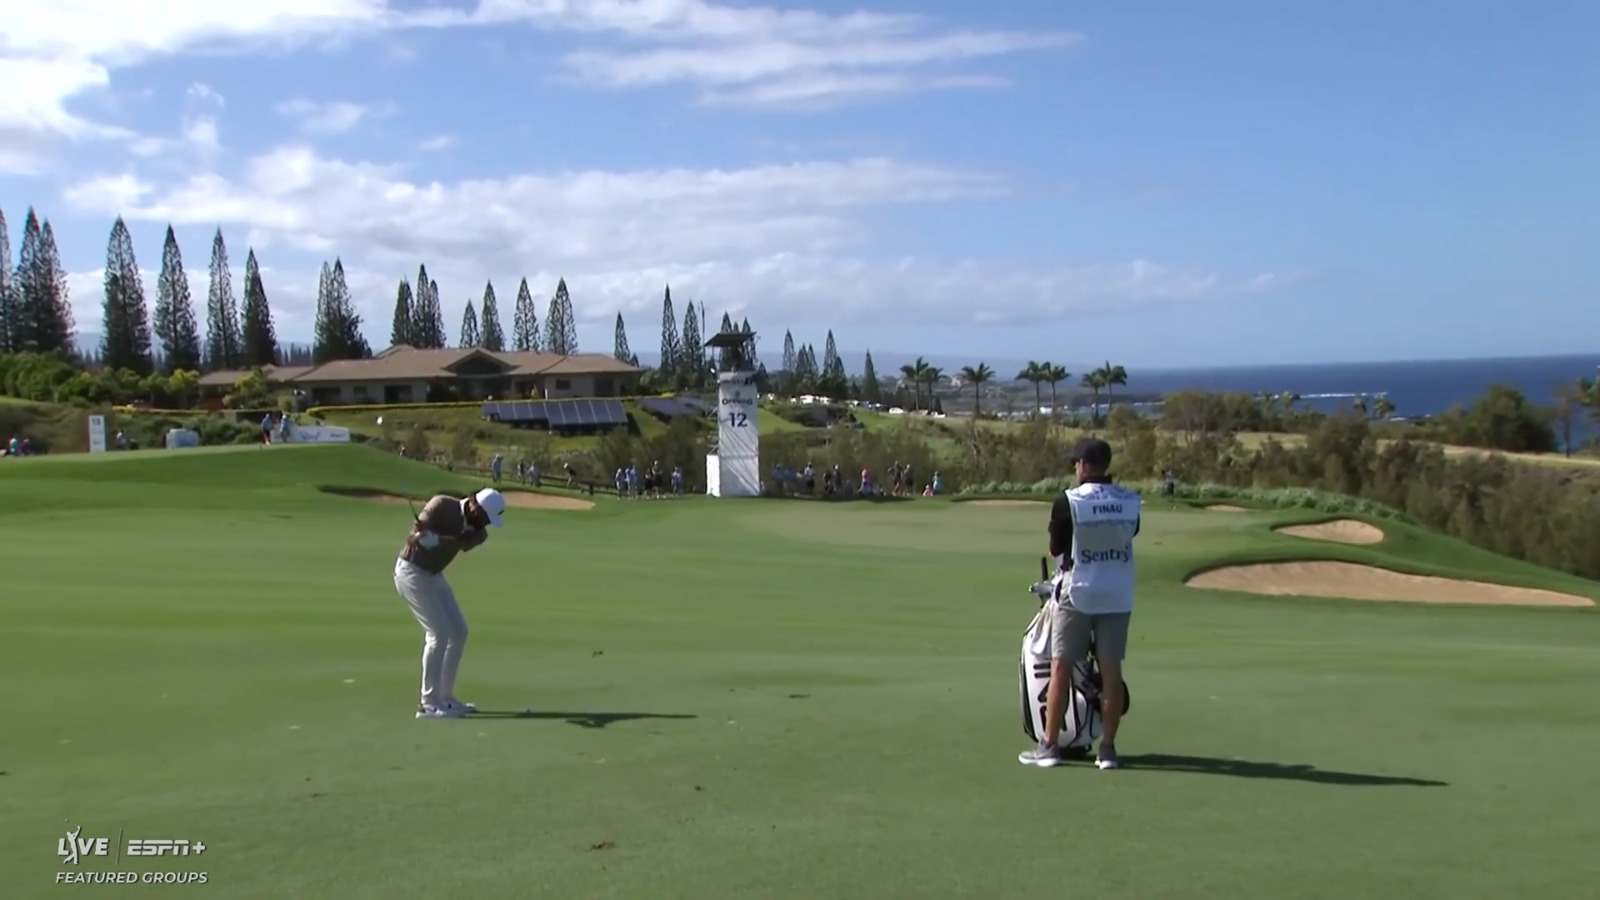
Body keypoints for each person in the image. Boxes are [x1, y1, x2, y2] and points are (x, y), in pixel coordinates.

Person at [1019, 438, 1141, 771]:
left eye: (1076, 463)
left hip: (1078, 592)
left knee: (1060, 665)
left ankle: (1049, 746)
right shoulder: (1130, 501)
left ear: (1084, 466)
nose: (1075, 468)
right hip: (1117, 593)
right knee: (1111, 671)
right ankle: (1108, 750)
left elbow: (1056, 548)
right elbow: (1128, 535)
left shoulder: (1068, 501)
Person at [394, 488, 507, 719]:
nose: (485, 524)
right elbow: (413, 536)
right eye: (485, 518)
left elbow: (462, 540)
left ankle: (445, 698)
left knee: (459, 631)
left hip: (433, 574)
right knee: (438, 634)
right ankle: (428, 703)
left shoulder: (480, 534)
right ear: (474, 507)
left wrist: (438, 539)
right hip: (411, 571)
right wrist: (422, 536)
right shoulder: (441, 504)